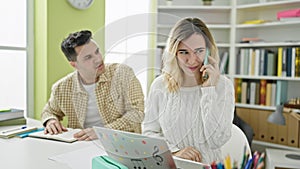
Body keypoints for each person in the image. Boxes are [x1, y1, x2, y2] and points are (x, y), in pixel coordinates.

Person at [142, 18, 235, 164]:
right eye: (184, 52)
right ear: (174, 53)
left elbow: (216, 141)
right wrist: (175, 152)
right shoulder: (160, 85)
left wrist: (209, 90)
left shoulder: (223, 86)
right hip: (172, 164)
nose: (192, 60)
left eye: (199, 51)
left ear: (209, 51)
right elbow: (149, 132)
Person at [41, 30, 144, 141]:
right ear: (74, 64)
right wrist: (50, 121)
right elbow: (49, 111)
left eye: (97, 51)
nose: (98, 59)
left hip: (123, 143)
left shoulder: (123, 73)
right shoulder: (61, 87)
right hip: (82, 145)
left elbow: (137, 113)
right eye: (88, 57)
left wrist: (102, 132)